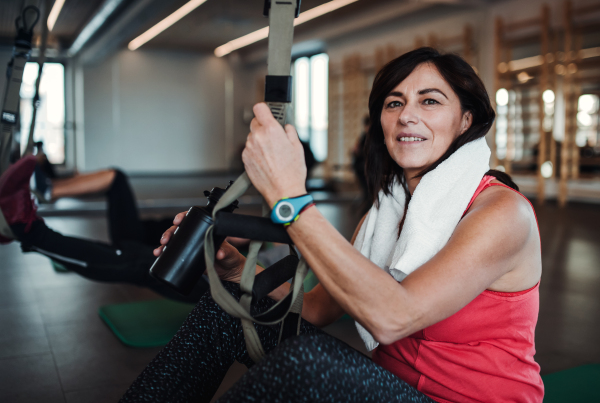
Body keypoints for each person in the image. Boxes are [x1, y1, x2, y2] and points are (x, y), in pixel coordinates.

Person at [120, 47, 544, 402]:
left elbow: (394, 317)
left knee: (308, 363)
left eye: (429, 101)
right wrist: (234, 270)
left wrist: (290, 199)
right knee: (226, 310)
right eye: (394, 103)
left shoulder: (503, 214)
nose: (406, 116)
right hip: (393, 388)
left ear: (466, 120)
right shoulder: (390, 211)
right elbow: (320, 306)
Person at [0, 158, 214, 302]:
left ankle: (25, 229)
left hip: (211, 284)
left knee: (139, 263)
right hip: (163, 238)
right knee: (116, 178)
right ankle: (47, 189)